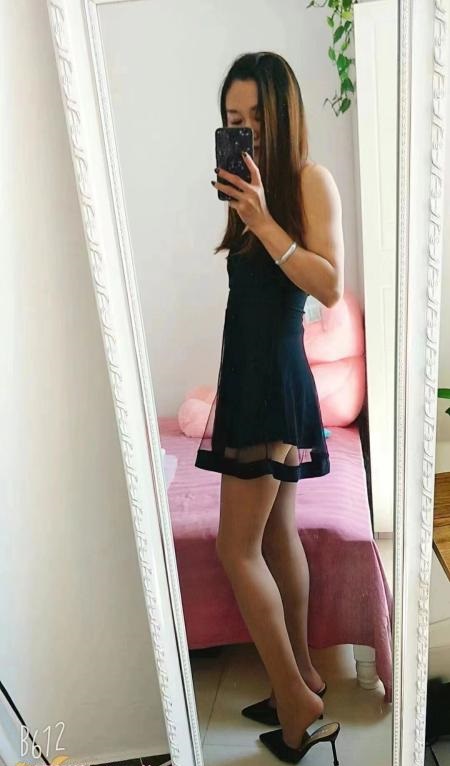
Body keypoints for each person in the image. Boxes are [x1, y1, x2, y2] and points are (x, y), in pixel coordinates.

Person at [195, 51, 344, 763]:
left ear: (283, 115)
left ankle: (295, 704)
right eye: (233, 119)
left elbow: (330, 285)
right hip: (252, 374)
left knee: (236, 548)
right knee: (278, 534)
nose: (245, 129)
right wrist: (248, 212)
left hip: (271, 378)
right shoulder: (251, 192)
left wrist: (263, 219)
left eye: (255, 117)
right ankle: (305, 675)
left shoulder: (309, 181)